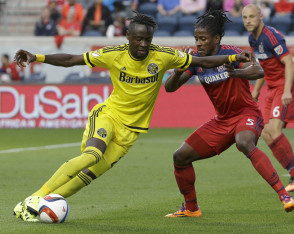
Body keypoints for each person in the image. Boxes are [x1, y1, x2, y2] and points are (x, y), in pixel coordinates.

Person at [12, 11, 250, 222]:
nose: (143, 44)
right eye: (138, 38)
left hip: (132, 131)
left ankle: (40, 206)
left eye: (147, 39)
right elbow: (72, 60)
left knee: (90, 175)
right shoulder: (113, 54)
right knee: (92, 155)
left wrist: (232, 58)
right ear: (128, 37)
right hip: (108, 116)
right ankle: (34, 198)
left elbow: (201, 61)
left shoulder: (163, 56)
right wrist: (37, 57)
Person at [164, 9, 294, 218]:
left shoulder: (231, 52)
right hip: (221, 121)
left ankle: (284, 196)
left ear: (216, 38)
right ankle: (191, 208)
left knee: (244, 142)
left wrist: (237, 72)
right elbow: (170, 88)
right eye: (196, 39)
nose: (198, 43)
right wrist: (180, 70)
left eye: (203, 39)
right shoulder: (196, 60)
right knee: (180, 156)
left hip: (246, 114)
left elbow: (258, 70)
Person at [242, 4, 294, 192]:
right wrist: (257, 89)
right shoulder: (252, 39)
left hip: (285, 86)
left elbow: (290, 63)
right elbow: (263, 66)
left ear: (261, 16)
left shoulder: (271, 37)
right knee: (268, 134)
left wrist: (287, 91)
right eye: (245, 18)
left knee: (275, 130)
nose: (248, 21)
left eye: (252, 17)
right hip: (271, 88)